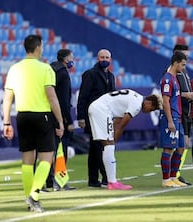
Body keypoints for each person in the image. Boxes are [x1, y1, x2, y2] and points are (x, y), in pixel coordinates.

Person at [2, 34, 64, 212]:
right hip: (42, 116)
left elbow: (8, 98)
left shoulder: (14, 69)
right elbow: (51, 97)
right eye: (42, 46)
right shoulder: (45, 69)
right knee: (47, 157)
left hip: (22, 116)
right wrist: (59, 120)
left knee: (27, 159)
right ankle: (34, 195)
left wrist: (7, 122)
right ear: (38, 48)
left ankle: (29, 199)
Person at [88, 89, 162, 190]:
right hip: (102, 110)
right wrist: (113, 142)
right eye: (152, 109)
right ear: (149, 102)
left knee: (107, 145)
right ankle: (112, 182)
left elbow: (117, 122)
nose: (150, 112)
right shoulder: (137, 105)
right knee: (109, 145)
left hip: (97, 107)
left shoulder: (135, 97)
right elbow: (121, 125)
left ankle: (110, 180)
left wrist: (113, 140)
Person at [77, 49, 115, 188]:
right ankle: (105, 177)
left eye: (107, 57)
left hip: (105, 116)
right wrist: (81, 116)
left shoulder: (111, 76)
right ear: (97, 58)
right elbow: (83, 96)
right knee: (98, 147)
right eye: (102, 57)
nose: (104, 59)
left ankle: (94, 179)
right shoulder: (90, 74)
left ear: (110, 59)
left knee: (95, 149)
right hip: (93, 116)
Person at [159, 51, 188, 188]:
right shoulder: (167, 79)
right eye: (182, 65)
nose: (183, 68)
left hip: (178, 118)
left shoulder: (175, 78)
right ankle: (165, 180)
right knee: (169, 148)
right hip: (170, 118)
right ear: (176, 63)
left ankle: (173, 176)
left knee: (181, 147)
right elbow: (165, 102)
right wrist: (170, 121)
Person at [48, 49, 76, 191]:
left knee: (47, 149)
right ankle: (59, 180)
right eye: (71, 58)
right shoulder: (63, 74)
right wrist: (68, 121)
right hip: (59, 117)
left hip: (47, 114)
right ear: (65, 60)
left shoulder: (50, 69)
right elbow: (64, 101)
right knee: (61, 149)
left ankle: (47, 181)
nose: (73, 60)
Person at [172, 44, 193, 186]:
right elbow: (169, 93)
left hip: (187, 112)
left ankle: (176, 172)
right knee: (178, 144)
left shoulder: (184, 71)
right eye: (184, 56)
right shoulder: (172, 72)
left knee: (185, 143)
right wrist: (185, 94)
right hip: (179, 112)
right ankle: (174, 174)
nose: (186, 59)